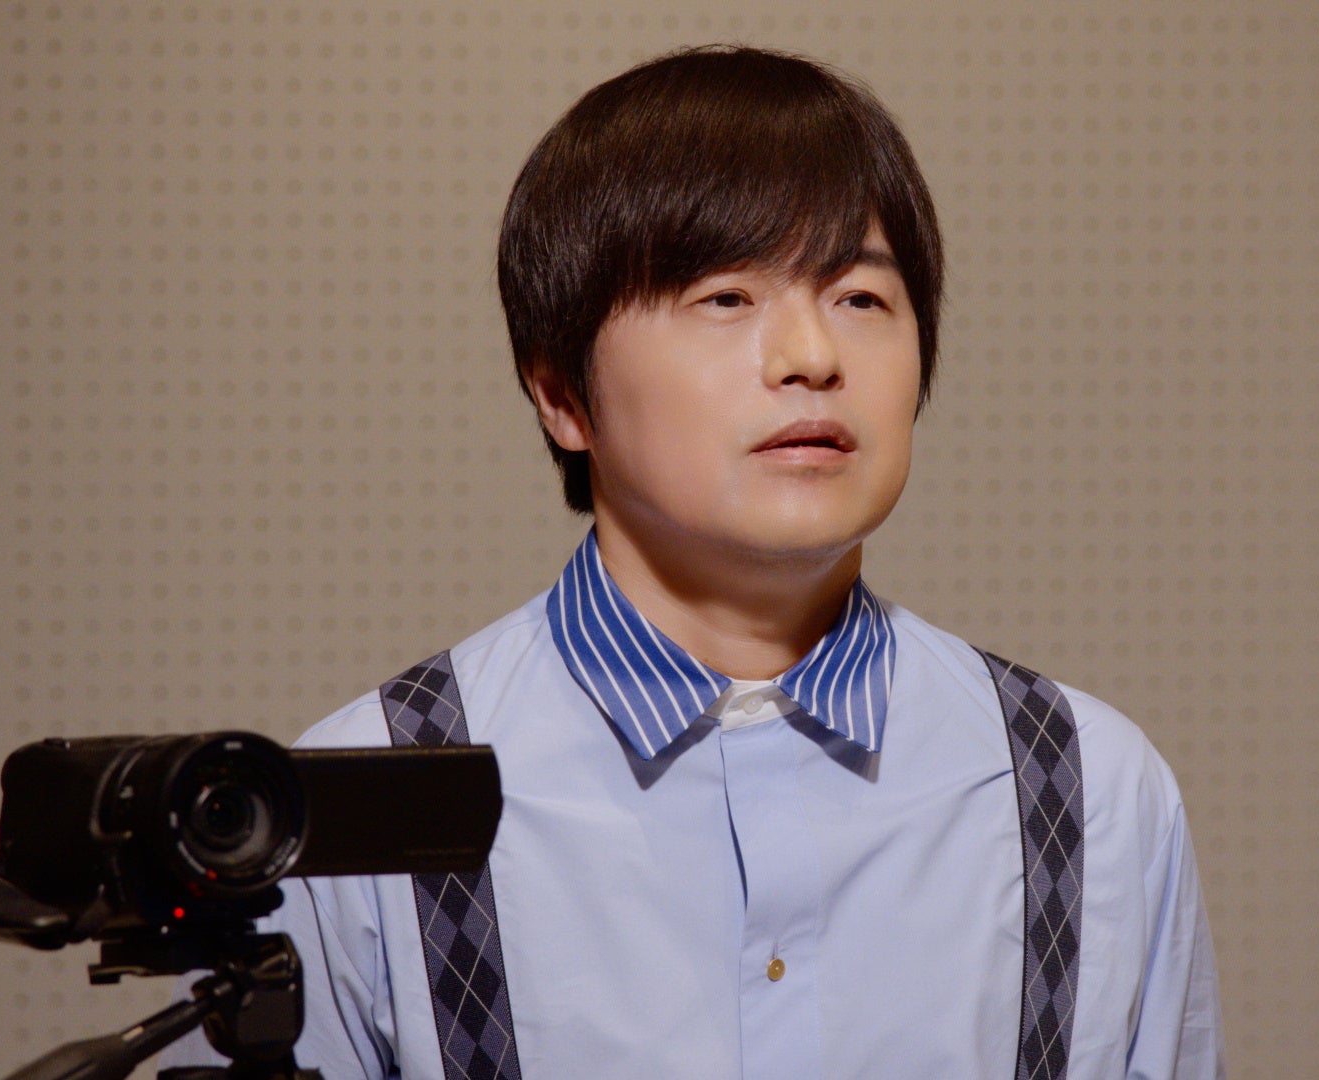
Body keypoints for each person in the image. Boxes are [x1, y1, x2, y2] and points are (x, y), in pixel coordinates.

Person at [159, 45, 1223, 1079]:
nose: (813, 356)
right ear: (561, 394)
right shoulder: (355, 807)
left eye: (860, 298)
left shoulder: (1089, 789)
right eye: (727, 298)